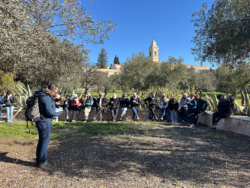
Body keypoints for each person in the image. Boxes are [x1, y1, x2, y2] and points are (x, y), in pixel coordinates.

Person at [33, 84, 61, 168]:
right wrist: (58, 113)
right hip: (45, 122)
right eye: (56, 92)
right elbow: (49, 112)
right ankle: (42, 162)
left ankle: (40, 159)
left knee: (41, 141)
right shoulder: (46, 97)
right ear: (52, 90)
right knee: (45, 142)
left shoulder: (41, 95)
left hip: (40, 121)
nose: (56, 93)